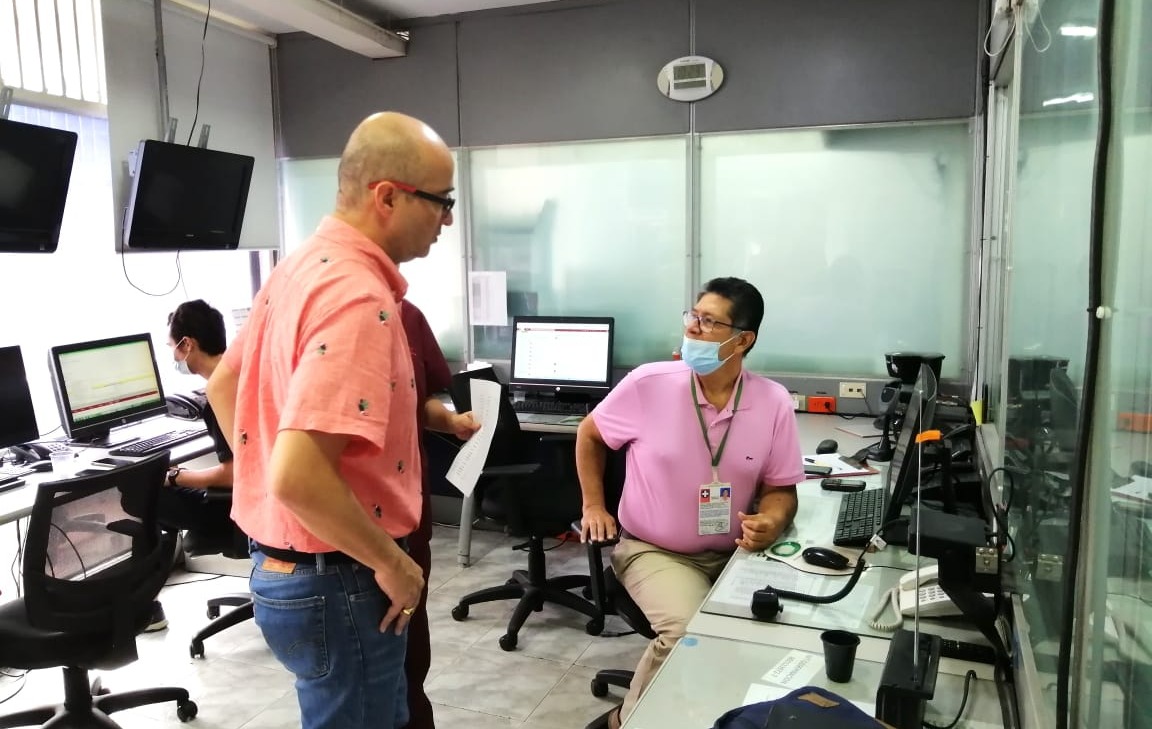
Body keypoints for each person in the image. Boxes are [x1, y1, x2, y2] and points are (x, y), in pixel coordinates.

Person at [205, 112, 456, 729]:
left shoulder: (297, 269)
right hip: (339, 577)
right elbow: (298, 476)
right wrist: (392, 563)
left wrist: (269, 480)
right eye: (441, 202)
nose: (447, 220)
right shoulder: (357, 297)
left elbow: (224, 381)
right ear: (389, 197)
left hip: (290, 568)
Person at [577, 277, 804, 729]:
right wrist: (593, 506)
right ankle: (626, 720)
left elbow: (781, 488)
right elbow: (590, 434)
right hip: (653, 550)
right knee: (687, 633)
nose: (693, 329)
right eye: (692, 317)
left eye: (708, 321)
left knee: (780, 628)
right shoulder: (649, 384)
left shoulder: (772, 401)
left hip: (735, 554)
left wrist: (773, 521)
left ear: (743, 339)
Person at [400, 299, 478, 729]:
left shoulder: (406, 315)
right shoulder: (310, 305)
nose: (445, 225)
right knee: (358, 685)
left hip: (407, 523)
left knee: (411, 660)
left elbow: (419, 402)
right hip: (342, 544)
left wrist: (451, 421)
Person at [145, 299, 235, 632]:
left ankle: (143, 607)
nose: (173, 357)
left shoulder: (220, 389)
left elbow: (236, 473)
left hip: (237, 510)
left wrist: (179, 476)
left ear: (187, 344)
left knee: (144, 495)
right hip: (264, 502)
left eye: (172, 347)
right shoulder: (240, 372)